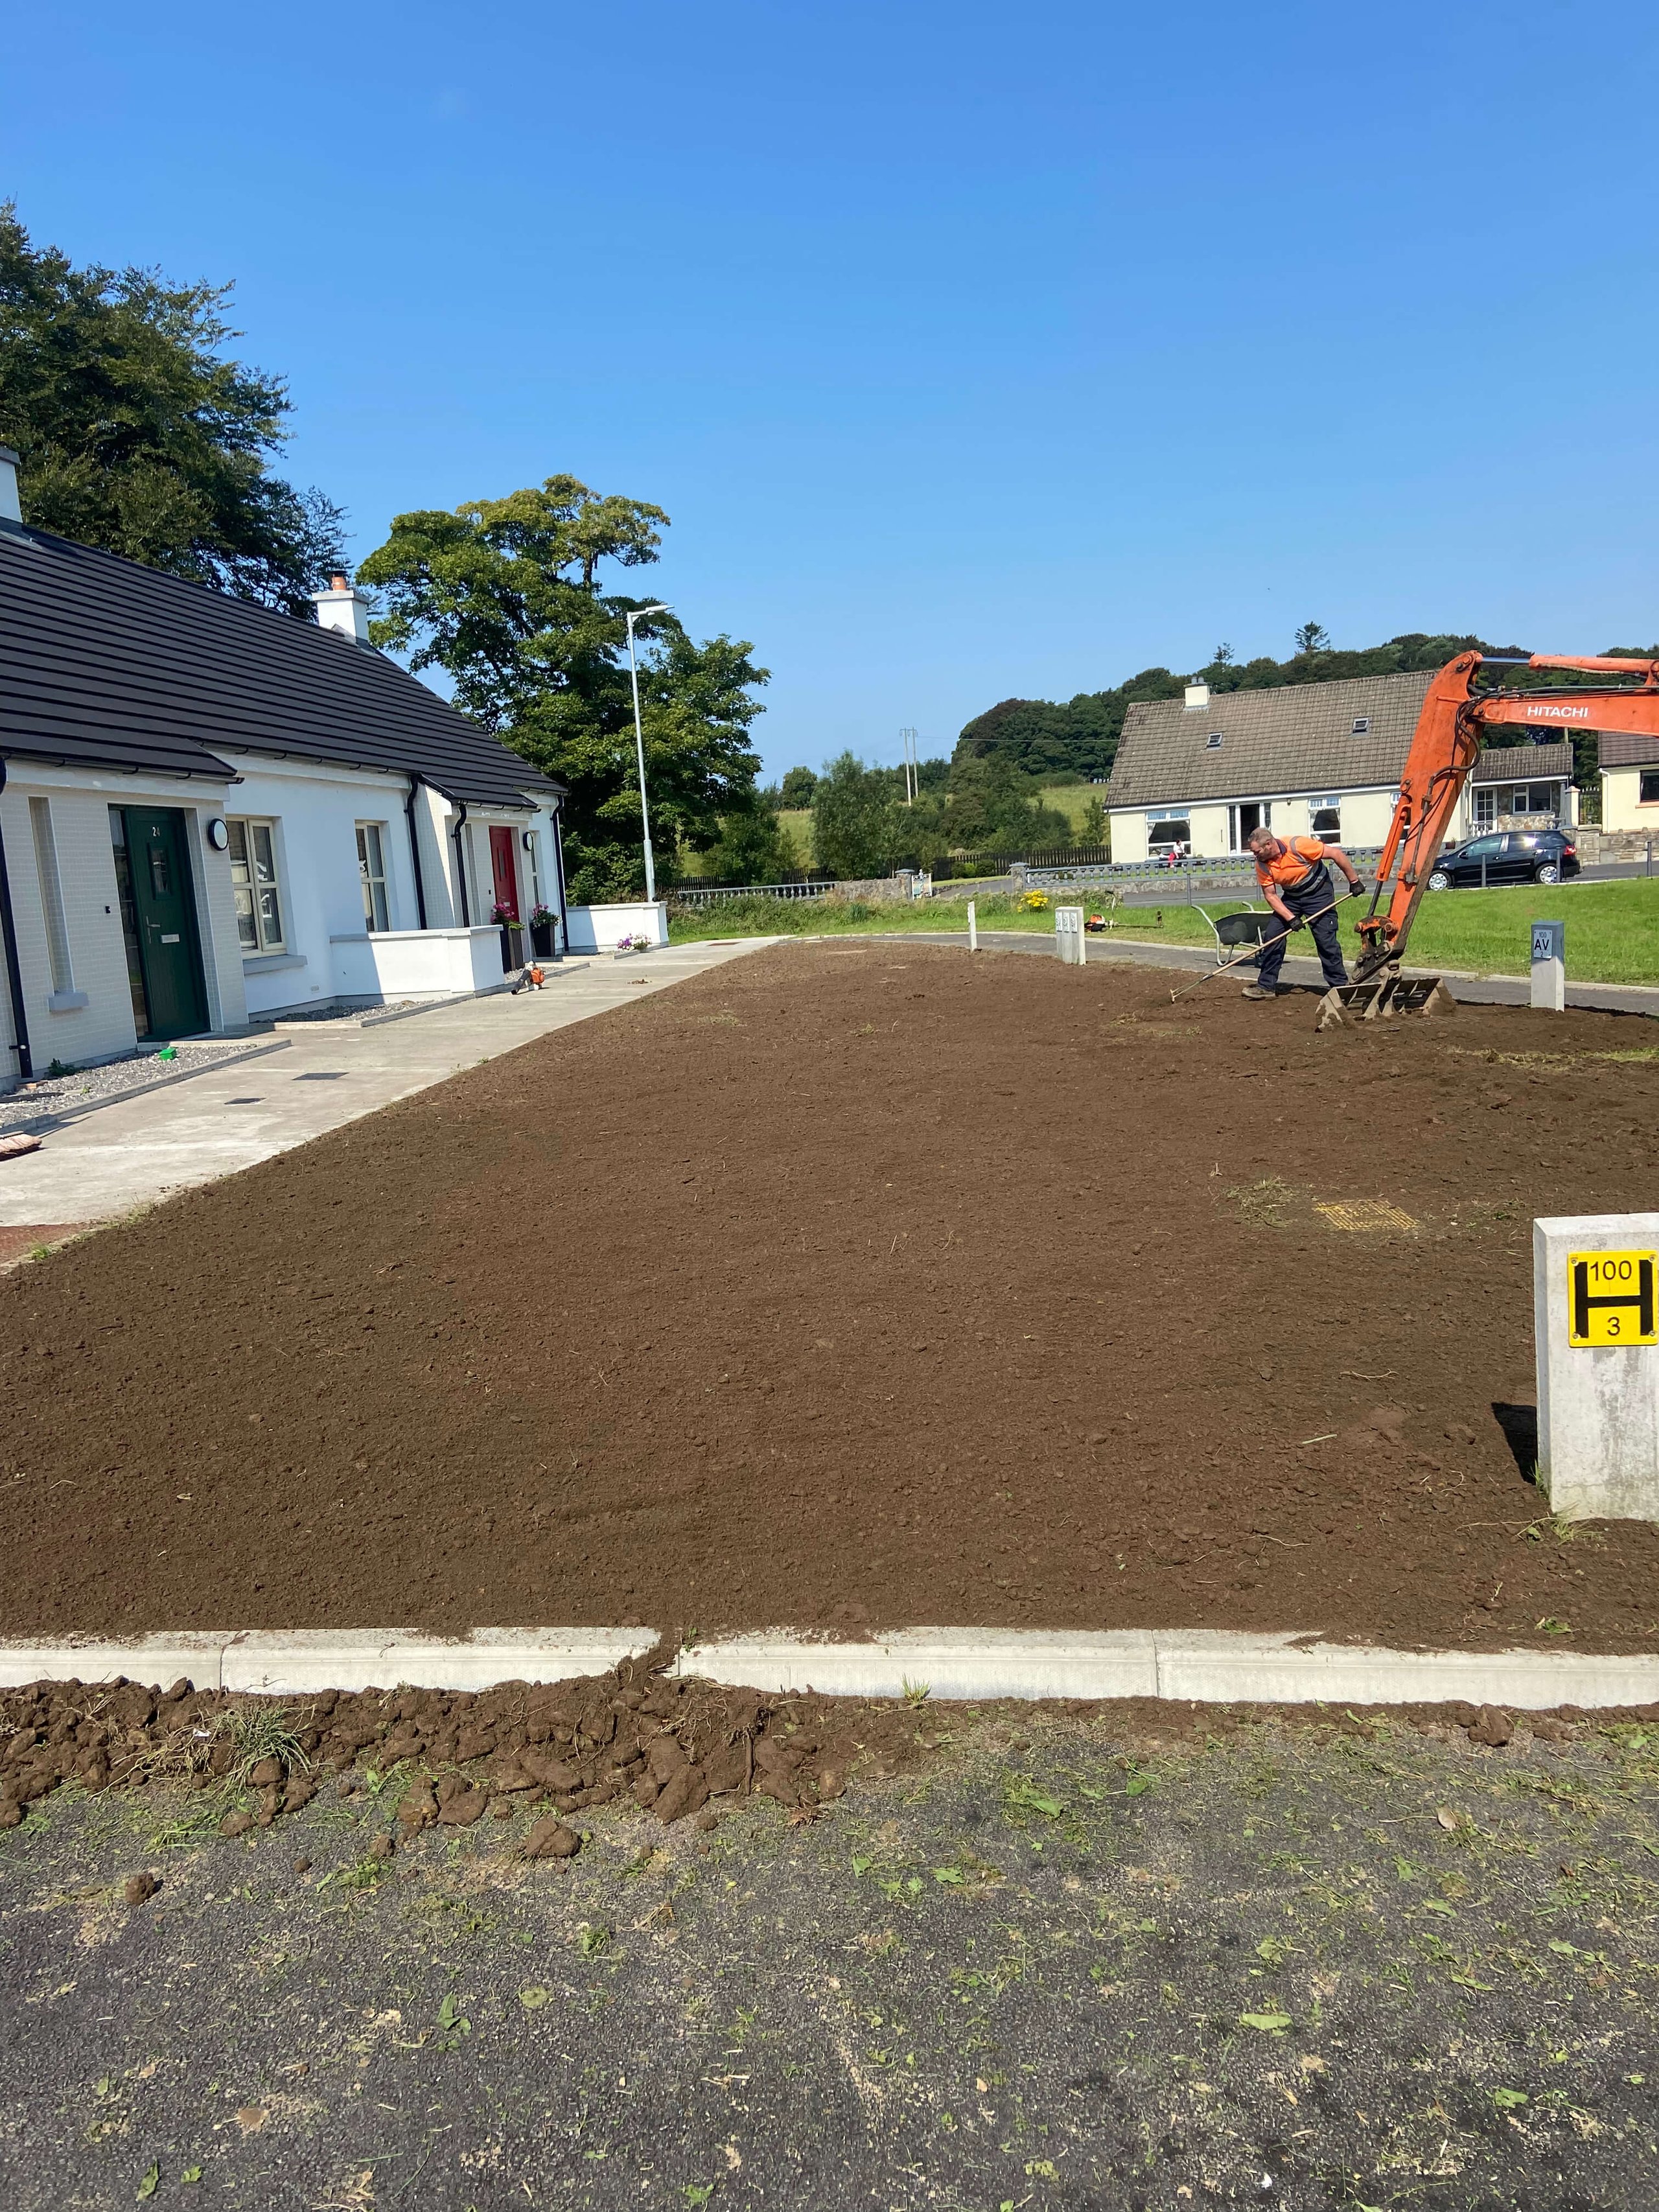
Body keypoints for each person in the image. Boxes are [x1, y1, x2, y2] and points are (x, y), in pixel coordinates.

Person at [1241, 827, 1365, 999]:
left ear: (1269, 844)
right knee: (1273, 936)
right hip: (1292, 898)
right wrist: (1291, 918)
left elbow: (1336, 854)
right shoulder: (1262, 864)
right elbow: (1271, 896)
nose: (1255, 855)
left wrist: (1354, 881)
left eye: (1257, 851)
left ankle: (1340, 988)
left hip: (1319, 894)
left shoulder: (1298, 845)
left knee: (1325, 940)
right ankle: (1266, 986)